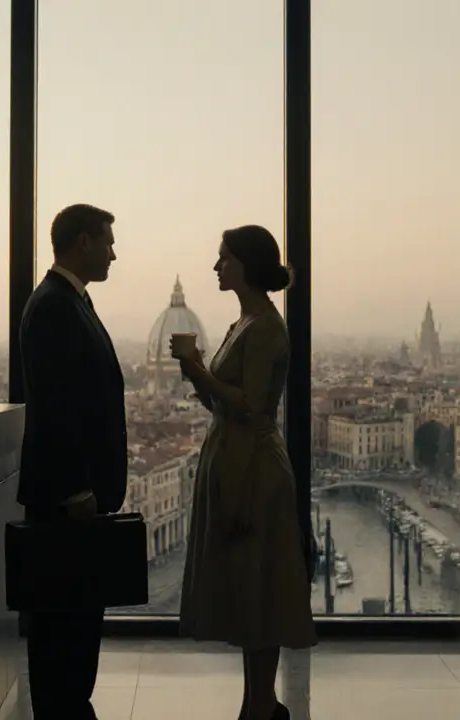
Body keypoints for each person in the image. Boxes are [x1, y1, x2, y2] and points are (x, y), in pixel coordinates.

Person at [172, 225, 316, 720]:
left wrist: (197, 370)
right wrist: (198, 375)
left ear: (247, 265)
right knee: (251, 586)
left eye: (223, 258)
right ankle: (259, 703)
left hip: (253, 467)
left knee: (260, 586)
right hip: (235, 457)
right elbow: (221, 400)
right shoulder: (243, 324)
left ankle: (259, 706)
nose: (215, 267)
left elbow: (253, 407)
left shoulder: (267, 328)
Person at [17, 203, 128, 720]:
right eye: (107, 242)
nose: (113, 252)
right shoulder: (57, 306)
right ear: (83, 242)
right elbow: (58, 406)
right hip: (68, 501)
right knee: (64, 624)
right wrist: (78, 487)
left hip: (75, 497)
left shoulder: (68, 300)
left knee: (76, 622)